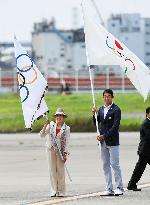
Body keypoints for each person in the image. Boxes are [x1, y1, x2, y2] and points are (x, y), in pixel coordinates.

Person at [92, 89, 124, 196]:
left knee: (114, 164)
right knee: (105, 165)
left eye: (108, 96)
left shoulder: (116, 110)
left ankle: (119, 187)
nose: (106, 98)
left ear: (112, 97)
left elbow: (115, 127)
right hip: (102, 142)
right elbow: (96, 123)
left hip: (113, 141)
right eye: (105, 96)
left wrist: (104, 136)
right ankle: (109, 188)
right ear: (103, 97)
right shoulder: (101, 109)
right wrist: (94, 114)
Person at [39, 108, 70, 197]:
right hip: (50, 149)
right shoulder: (51, 125)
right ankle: (54, 190)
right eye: (57, 115)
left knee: (60, 171)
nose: (59, 117)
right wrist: (45, 125)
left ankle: (61, 191)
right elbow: (41, 135)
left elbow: (67, 142)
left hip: (60, 151)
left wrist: (65, 153)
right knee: (52, 170)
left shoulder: (66, 128)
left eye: (60, 115)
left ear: (63, 117)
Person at [127, 107, 150, 191]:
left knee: (139, 169)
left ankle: (131, 184)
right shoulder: (146, 123)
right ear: (147, 114)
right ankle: (131, 184)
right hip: (145, 151)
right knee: (139, 169)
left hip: (147, 151)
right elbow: (148, 136)